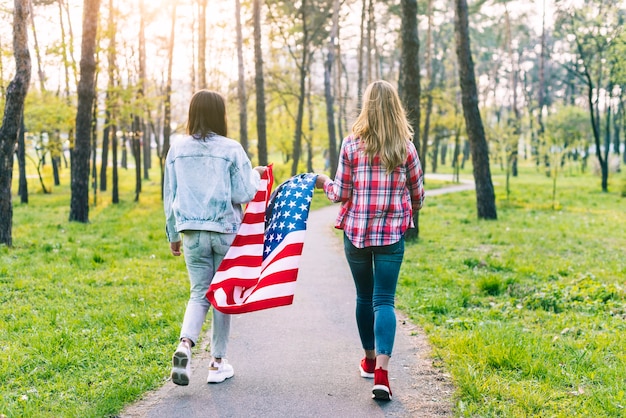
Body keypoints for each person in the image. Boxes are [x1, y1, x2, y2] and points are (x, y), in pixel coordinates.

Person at [315, 80, 424, 401]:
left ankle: (369, 360)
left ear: (367, 106)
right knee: (384, 301)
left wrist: (323, 181)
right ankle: (383, 374)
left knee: (365, 298)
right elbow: (418, 193)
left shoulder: (352, 145)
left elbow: (340, 193)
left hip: (358, 235)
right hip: (391, 235)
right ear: (396, 108)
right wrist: (407, 214)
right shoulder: (405, 147)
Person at [164, 89, 265, 386]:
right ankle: (217, 363)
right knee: (222, 295)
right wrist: (256, 174)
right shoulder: (231, 148)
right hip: (225, 232)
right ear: (220, 114)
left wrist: (173, 234)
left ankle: (185, 344)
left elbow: (170, 194)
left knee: (198, 294)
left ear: (193, 113)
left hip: (191, 232)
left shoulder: (176, 150)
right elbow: (245, 192)